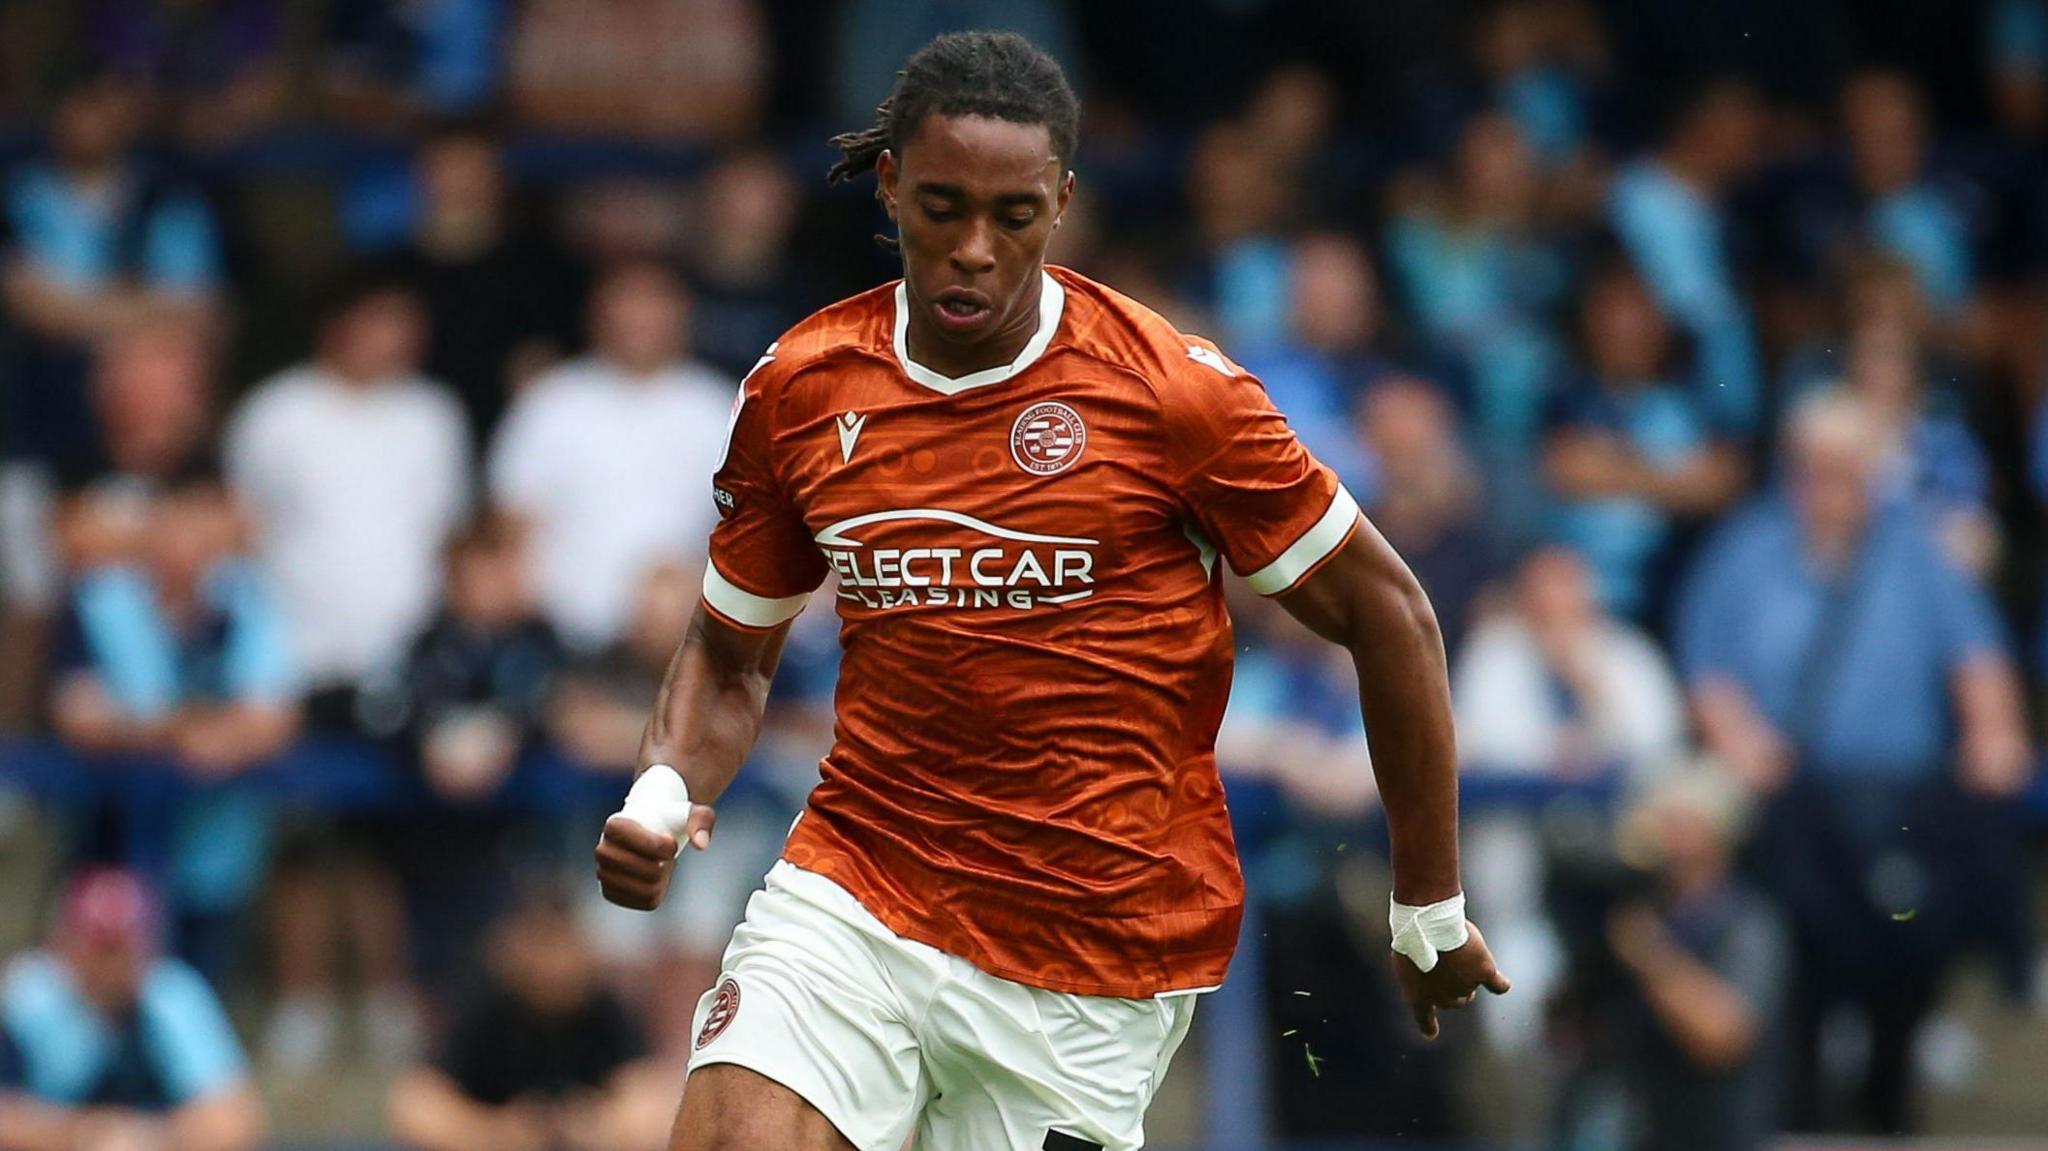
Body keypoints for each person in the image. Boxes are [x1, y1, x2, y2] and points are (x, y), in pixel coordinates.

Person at [591, 31, 1508, 1151]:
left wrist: (1427, 906)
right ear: (888, 185)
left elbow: (1390, 612)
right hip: (860, 885)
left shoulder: (1171, 393)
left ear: (1061, 202)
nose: (973, 248)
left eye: (1013, 216)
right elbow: (731, 652)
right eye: (940, 207)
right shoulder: (799, 389)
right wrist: (665, 780)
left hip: (1095, 949)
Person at [1677, 392, 2031, 1133]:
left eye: (1849, 468)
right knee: (1800, 960)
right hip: (1791, 802)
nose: (1834, 485)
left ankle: (1902, 1081)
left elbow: (1979, 659)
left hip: (1902, 802)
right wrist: (1742, 742)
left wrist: (1994, 732)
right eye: (1818, 468)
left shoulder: (1918, 551)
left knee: (1914, 939)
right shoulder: (1748, 548)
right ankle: (1803, 1111)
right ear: (1794, 469)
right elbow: (1708, 669)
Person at [46, 474, 298, 982]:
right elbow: (80, 717)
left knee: (199, 987)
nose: (186, 546)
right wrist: (183, 730)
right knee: (103, 981)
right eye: (174, 526)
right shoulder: (98, 599)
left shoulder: (244, 599)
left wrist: (200, 734)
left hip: (214, 845)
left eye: (201, 532)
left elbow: (273, 717)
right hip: (110, 838)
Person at [224, 269, 470, 727]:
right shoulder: (274, 413)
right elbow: (240, 534)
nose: (394, 337)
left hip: (408, 661)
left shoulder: (434, 416)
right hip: (295, 657)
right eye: (380, 319)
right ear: (337, 323)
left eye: (406, 323)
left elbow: (449, 533)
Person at [487, 262, 735, 653]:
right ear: (596, 314)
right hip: (562, 640)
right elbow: (510, 524)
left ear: (683, 314)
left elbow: (754, 530)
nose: (639, 319)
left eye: (653, 304)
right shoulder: (550, 402)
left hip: (691, 641)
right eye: (626, 304)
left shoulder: (721, 407)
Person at [1552, 769, 1790, 1151]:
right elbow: (1566, 1029)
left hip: (1716, 1133)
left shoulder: (1746, 922)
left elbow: (1724, 1036)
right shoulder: (1634, 910)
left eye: (1675, 823)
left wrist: (1649, 956)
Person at [0, 869, 266, 1151]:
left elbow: (237, 1121)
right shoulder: (25, 996)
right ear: (63, 940)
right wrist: (84, 1134)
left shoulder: (172, 995)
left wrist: (144, 1139)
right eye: (97, 945)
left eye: (120, 946)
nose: (108, 964)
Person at [386, 889, 673, 1151]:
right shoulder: (486, 1008)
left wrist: (593, 1126)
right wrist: (499, 1132)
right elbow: (415, 1104)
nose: (553, 962)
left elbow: (653, 1102)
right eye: (539, 941)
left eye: (560, 941)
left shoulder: (605, 1010)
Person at [1542, 263, 1746, 620]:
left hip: (1662, 598)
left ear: (1661, 323)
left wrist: (1610, 469)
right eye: (1613, 315)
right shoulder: (1566, 395)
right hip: (1572, 595)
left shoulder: (1689, 401)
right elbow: (1564, 469)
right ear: (1591, 322)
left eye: (1638, 316)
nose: (1625, 330)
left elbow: (1722, 482)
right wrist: (1673, 477)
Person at [1607, 77, 1766, 433]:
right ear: (1701, 125)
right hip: (1653, 410)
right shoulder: (1630, 198)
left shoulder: (1725, 215)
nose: (1752, 149)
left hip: (1727, 408)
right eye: (1742, 132)